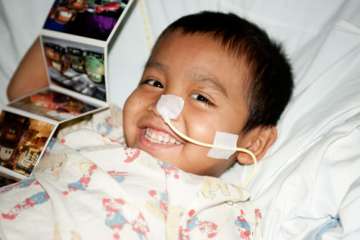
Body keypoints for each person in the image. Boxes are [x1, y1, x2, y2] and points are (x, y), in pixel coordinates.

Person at [1, 11, 293, 239]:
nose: (164, 105)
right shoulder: (103, 127)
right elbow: (30, 90)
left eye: (201, 97)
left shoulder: (214, 210)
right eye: (154, 82)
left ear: (252, 143)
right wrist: (92, 11)